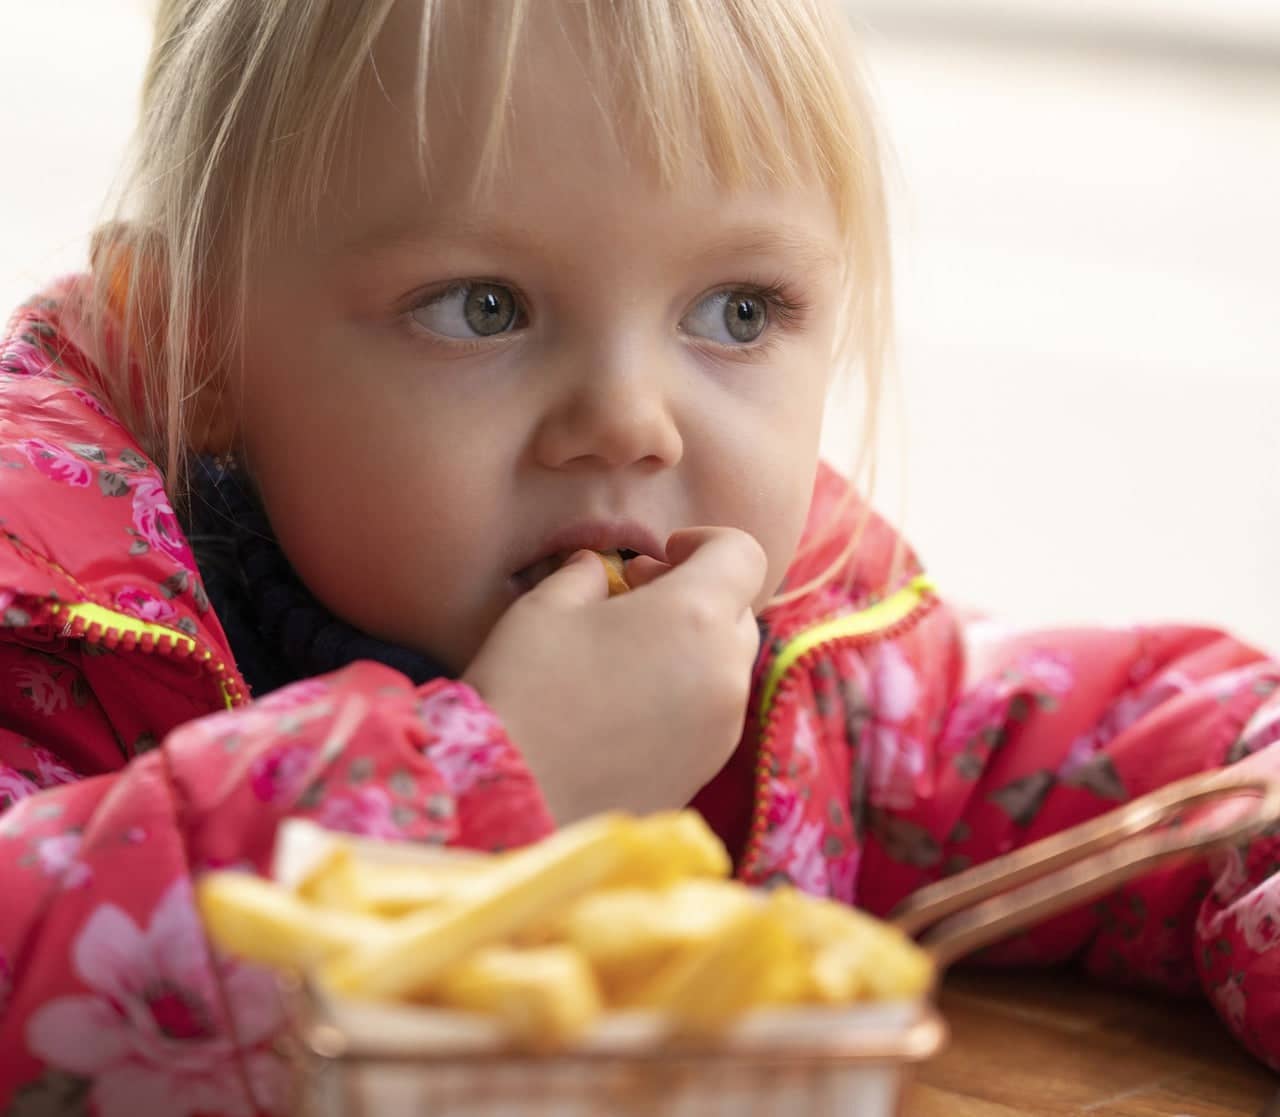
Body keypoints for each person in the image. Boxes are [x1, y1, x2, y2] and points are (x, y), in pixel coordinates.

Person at [1, 1, 1277, 1112]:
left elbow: (1205, 773)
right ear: (198, 347)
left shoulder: (821, 674)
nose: (630, 419)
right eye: (481, 304)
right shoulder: (50, 650)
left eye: (736, 312)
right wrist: (493, 779)